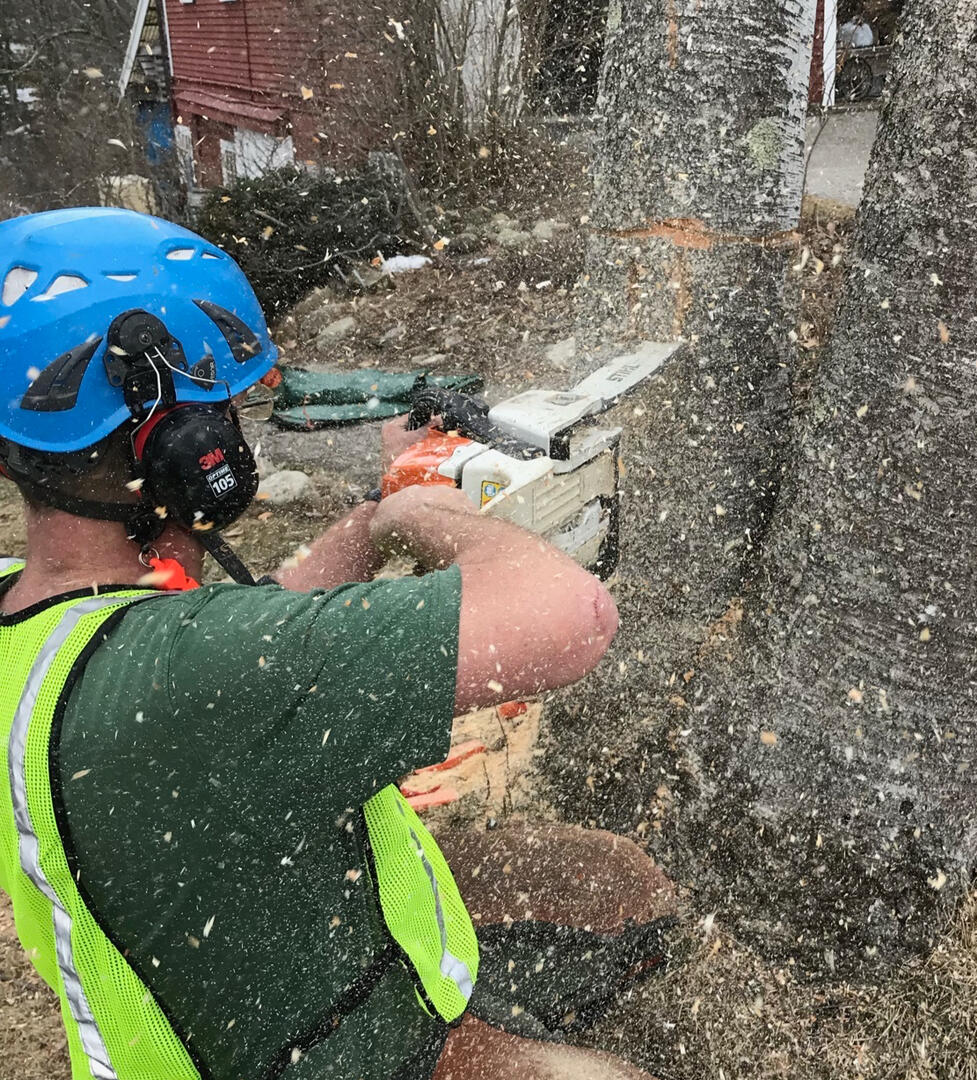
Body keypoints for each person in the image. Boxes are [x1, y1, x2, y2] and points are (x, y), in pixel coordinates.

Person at [0, 208, 673, 1080]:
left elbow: (242, 634)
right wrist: (430, 515)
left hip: (238, 1014)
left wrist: (374, 514)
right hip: (346, 1046)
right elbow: (575, 618)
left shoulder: (45, 617)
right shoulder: (195, 671)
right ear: (192, 449)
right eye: (226, 411)